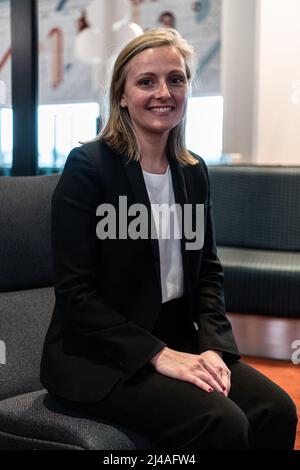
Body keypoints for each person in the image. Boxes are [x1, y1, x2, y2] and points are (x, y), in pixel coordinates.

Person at [40, 28, 297, 450]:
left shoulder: (192, 171)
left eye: (175, 79)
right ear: (121, 95)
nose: (164, 92)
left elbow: (209, 274)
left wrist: (214, 346)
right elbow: (75, 292)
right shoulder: (88, 167)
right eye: (147, 81)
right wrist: (158, 355)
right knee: (222, 422)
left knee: (276, 409)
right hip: (101, 357)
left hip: (179, 339)